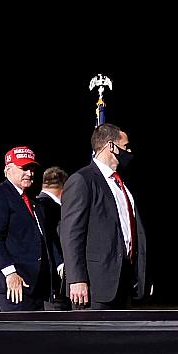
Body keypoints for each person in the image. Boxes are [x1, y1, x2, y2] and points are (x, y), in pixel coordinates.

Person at [59, 123, 147, 309]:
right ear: (111, 146)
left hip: (124, 281)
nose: (129, 151)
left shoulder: (121, 184)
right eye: (126, 146)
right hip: (94, 285)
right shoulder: (83, 180)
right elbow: (71, 233)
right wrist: (76, 279)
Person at [0, 145, 50, 311]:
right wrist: (10, 273)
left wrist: (60, 266)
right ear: (7, 170)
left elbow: (43, 237)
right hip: (12, 286)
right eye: (23, 168)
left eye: (32, 168)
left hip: (35, 285)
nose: (30, 173)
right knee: (20, 335)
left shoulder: (32, 199)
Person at [35, 166, 68, 309]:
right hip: (55, 284)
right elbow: (50, 239)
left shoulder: (34, 205)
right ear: (64, 187)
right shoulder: (51, 209)